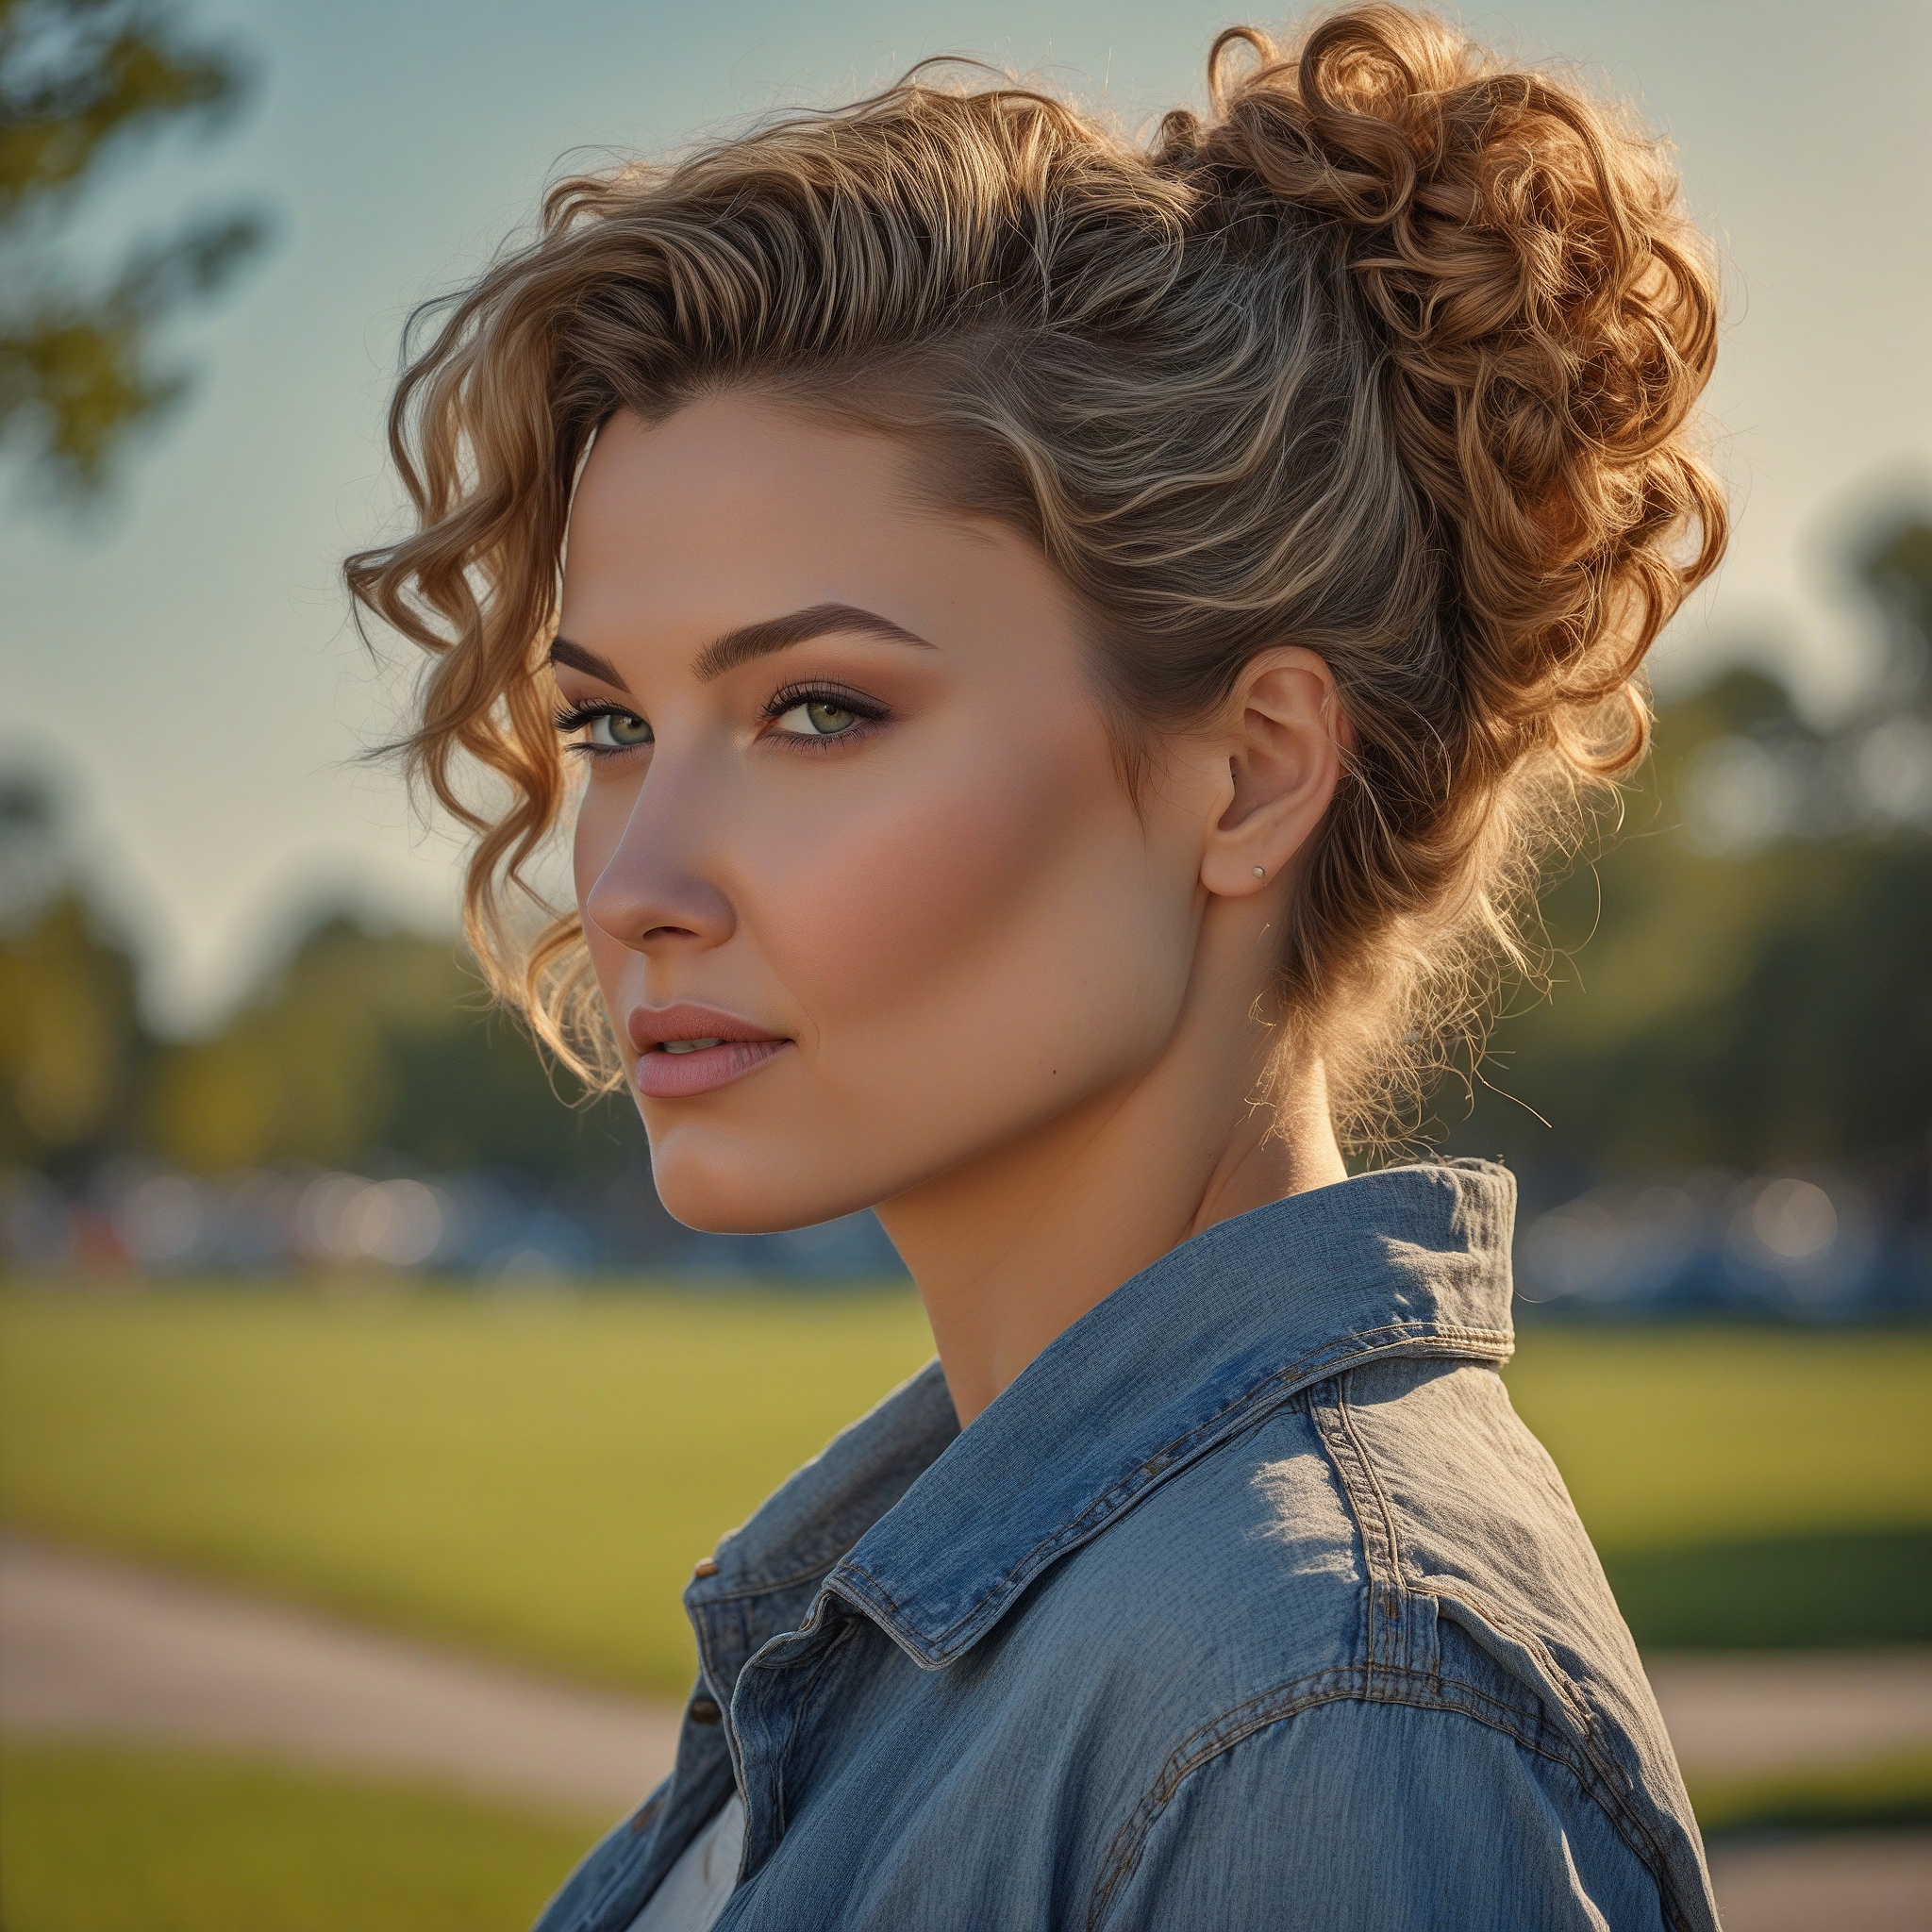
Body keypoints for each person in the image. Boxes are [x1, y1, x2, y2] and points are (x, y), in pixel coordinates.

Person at [348, 8, 1725, 1926]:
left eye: (817, 709)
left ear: (1247, 775)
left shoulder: (1324, 1708)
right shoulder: (1008, 1606)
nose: (635, 879)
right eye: (606, 728)